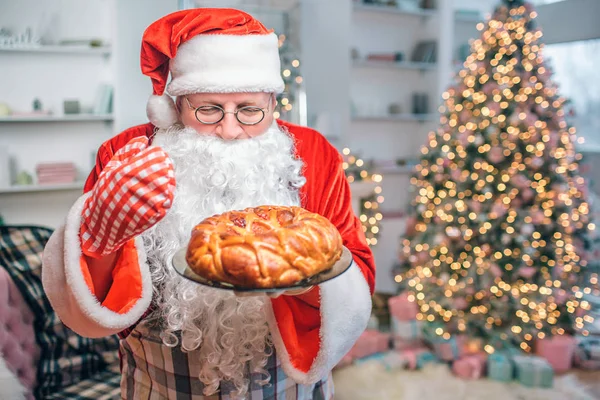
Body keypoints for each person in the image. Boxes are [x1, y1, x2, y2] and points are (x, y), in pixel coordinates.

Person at [42, 8, 375, 400]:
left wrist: (296, 283)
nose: (231, 130)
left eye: (250, 110)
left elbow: (356, 283)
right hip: (161, 380)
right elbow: (86, 301)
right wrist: (101, 236)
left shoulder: (313, 154)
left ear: (272, 100)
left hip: (287, 382)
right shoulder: (127, 154)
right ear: (176, 106)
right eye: (209, 109)